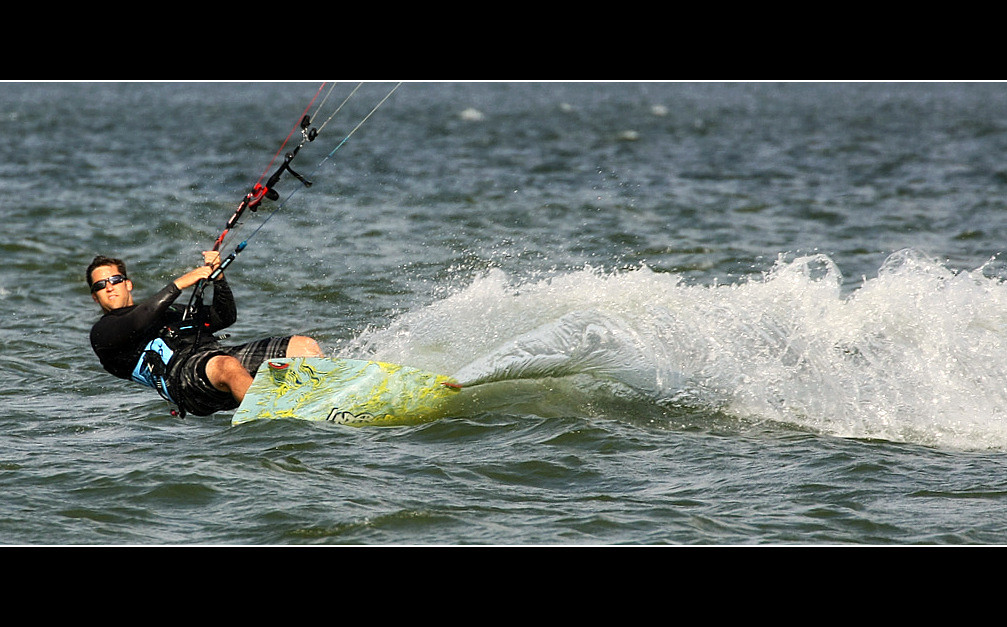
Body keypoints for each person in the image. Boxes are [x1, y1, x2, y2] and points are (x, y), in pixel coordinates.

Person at [87, 251, 324, 417]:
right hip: (183, 381)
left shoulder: (169, 310)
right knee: (227, 365)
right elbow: (139, 320)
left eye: (115, 280)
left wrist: (219, 279)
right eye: (100, 285)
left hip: (216, 357)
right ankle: (277, 419)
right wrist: (182, 282)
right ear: (95, 297)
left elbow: (224, 317)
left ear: (128, 284)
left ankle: (328, 397)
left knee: (303, 346)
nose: (109, 287)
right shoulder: (103, 332)